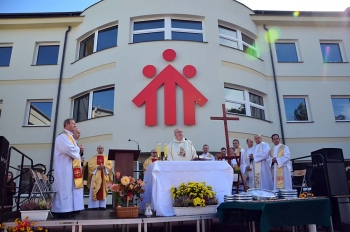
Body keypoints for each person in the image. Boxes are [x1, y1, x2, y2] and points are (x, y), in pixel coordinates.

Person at [51, 118, 84, 218]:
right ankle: (62, 210)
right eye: (73, 123)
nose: (75, 125)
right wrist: (78, 149)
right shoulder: (62, 137)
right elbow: (69, 149)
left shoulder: (71, 138)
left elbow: (75, 152)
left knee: (71, 188)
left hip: (71, 168)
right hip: (64, 169)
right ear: (66, 125)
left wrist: (80, 152)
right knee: (64, 188)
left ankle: (71, 209)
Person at [87, 145, 113, 210]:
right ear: (97, 149)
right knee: (95, 188)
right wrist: (97, 167)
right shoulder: (93, 158)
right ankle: (94, 206)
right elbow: (90, 165)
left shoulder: (107, 158)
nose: (100, 149)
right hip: (96, 176)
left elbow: (110, 165)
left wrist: (104, 167)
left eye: (101, 148)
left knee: (103, 190)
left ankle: (102, 206)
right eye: (99, 148)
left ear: (103, 149)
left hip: (103, 176)